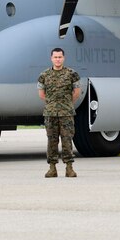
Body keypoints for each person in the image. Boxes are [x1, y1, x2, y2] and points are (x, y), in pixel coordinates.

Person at [38, 47, 81, 177]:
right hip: (50, 113)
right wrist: (52, 104)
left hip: (66, 113)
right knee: (52, 141)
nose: (58, 59)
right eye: (55, 57)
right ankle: (52, 168)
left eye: (60, 57)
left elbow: (76, 93)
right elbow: (41, 94)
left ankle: (69, 168)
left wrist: (66, 104)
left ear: (64, 58)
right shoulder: (44, 75)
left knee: (67, 140)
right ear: (51, 58)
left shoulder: (72, 74)